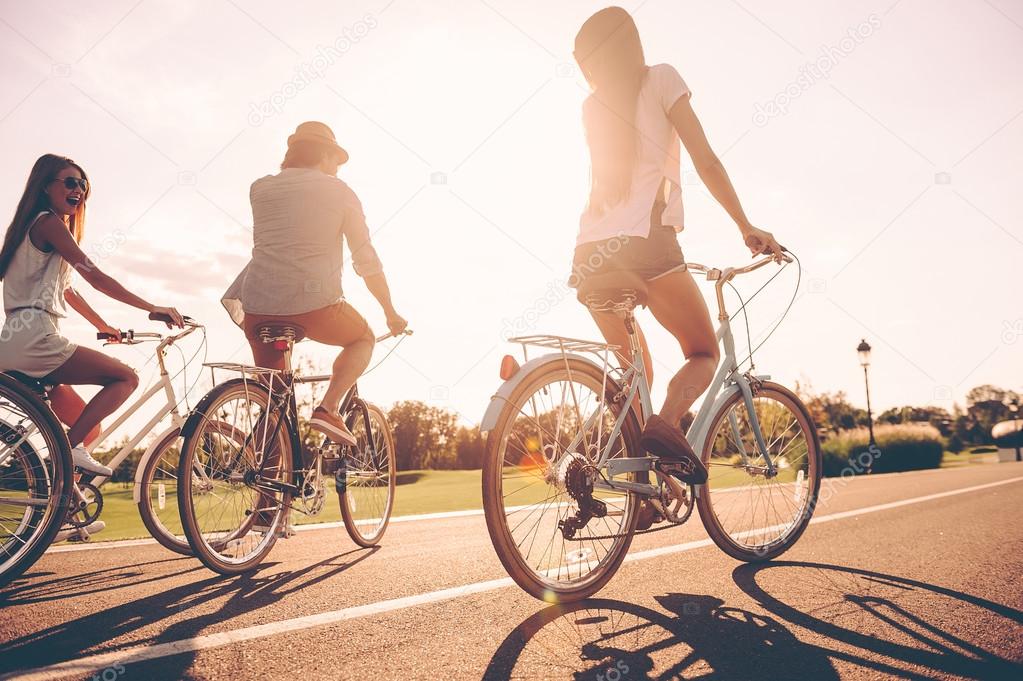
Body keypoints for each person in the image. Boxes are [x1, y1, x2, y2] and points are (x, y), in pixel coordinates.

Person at [569, 8, 783, 483]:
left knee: (632, 378)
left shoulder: (592, 108)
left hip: (589, 257)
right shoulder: (662, 78)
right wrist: (746, 225)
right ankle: (667, 425)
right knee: (702, 351)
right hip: (646, 246)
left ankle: (642, 488)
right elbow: (705, 160)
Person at [0, 154, 185, 478]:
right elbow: (95, 277)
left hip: (14, 338)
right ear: (45, 187)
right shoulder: (49, 223)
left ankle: (62, 507)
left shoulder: (28, 229)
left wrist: (102, 326)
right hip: (35, 337)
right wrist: (151, 307)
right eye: (70, 182)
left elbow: (68, 291)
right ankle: (63, 456)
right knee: (126, 378)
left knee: (88, 428)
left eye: (83, 185)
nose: (79, 190)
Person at [223, 121, 407, 445]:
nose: (337, 168)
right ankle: (329, 408)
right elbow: (366, 259)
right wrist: (390, 312)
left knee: (274, 404)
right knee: (363, 338)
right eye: (336, 160)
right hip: (314, 305)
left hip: (256, 307)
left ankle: (268, 494)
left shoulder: (260, 188)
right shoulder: (340, 191)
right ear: (324, 154)